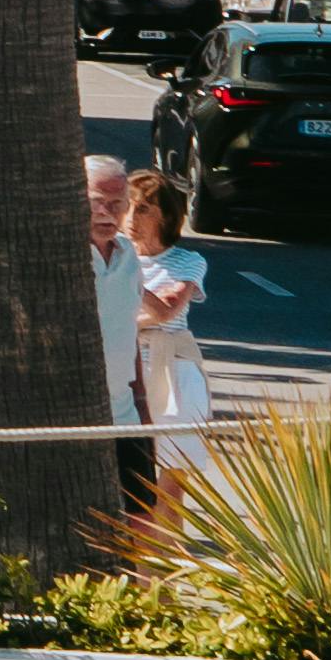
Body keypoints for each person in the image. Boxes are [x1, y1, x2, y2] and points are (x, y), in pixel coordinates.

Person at [123, 174, 210, 474]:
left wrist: (130, 282)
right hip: (124, 372)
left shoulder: (188, 261)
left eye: (144, 209)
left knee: (174, 474)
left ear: (167, 216)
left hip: (174, 371)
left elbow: (166, 310)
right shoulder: (110, 259)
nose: (131, 218)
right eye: (127, 206)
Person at [86, 157, 151, 511]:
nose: (107, 213)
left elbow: (130, 330)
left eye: (117, 204)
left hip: (125, 413)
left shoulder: (129, 256)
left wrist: (142, 404)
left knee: (142, 514)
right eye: (98, 202)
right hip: (75, 416)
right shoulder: (61, 257)